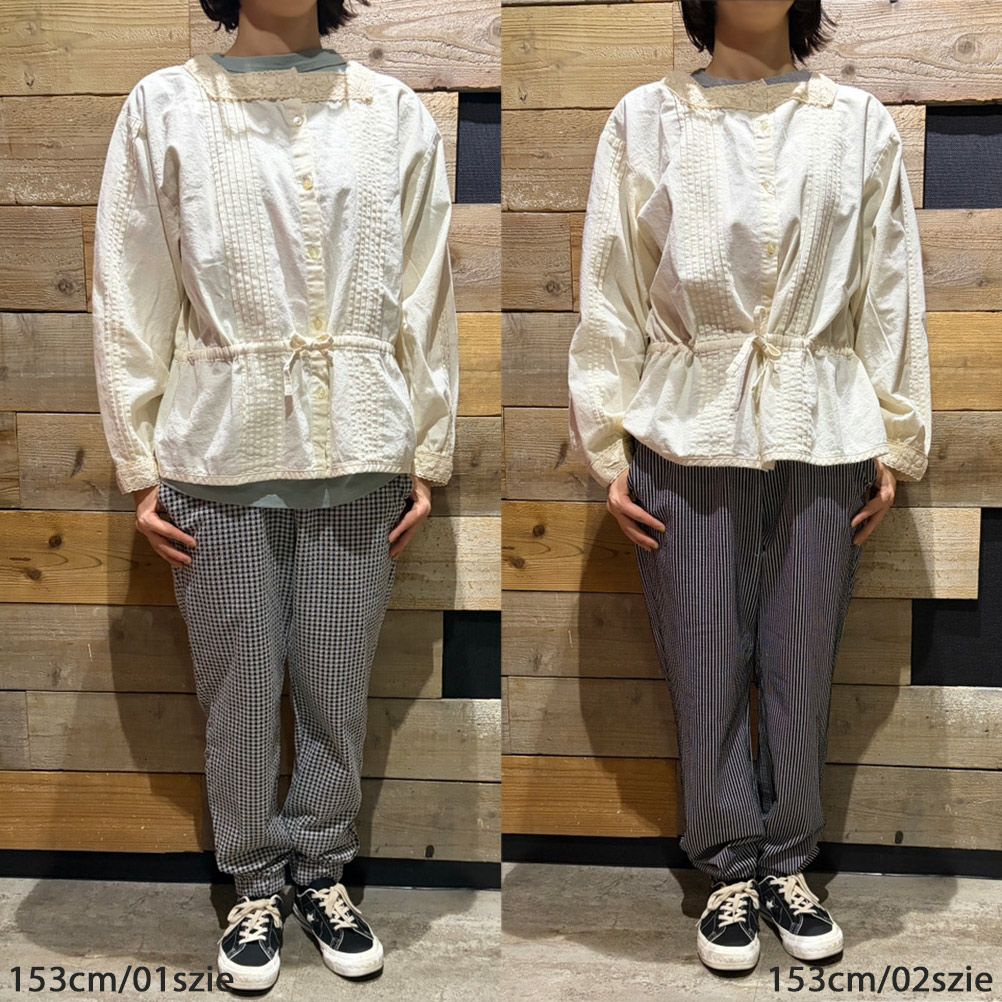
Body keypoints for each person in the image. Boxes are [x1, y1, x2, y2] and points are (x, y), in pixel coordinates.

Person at [91, 0, 458, 991]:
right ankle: (255, 884)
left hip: (362, 453)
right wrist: (138, 464)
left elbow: (426, 291)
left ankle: (322, 872)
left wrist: (427, 451)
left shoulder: (391, 111)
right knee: (239, 694)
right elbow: (130, 289)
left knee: (337, 688)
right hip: (214, 458)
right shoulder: (165, 106)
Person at [566, 0, 931, 976]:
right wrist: (609, 448)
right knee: (704, 666)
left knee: (804, 664)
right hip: (684, 431)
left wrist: (895, 440)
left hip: (825, 430)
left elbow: (889, 286)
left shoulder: (857, 124)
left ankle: (790, 864)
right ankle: (730, 868)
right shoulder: (645, 119)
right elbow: (612, 288)